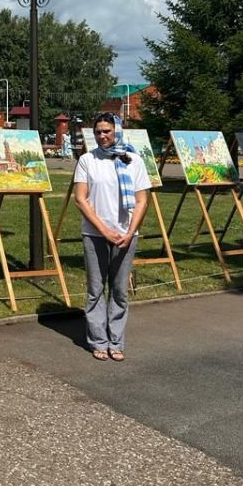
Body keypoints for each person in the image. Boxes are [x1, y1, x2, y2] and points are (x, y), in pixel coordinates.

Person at [73, 112, 150, 361]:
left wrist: (129, 232)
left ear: (116, 131)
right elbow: (81, 199)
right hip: (95, 234)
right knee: (95, 290)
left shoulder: (133, 160)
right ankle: (98, 340)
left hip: (126, 234)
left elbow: (141, 200)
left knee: (119, 290)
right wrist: (104, 230)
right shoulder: (87, 160)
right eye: (98, 132)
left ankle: (116, 340)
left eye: (107, 131)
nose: (102, 136)